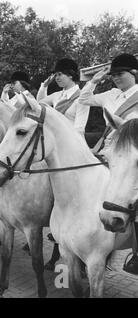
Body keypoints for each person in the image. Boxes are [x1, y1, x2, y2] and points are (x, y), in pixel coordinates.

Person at [78, 53, 138, 274]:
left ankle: (136, 253)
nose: (115, 78)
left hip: (132, 152)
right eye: (113, 74)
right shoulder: (110, 94)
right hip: (107, 151)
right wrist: (93, 81)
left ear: (134, 74)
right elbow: (84, 100)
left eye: (120, 74)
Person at [37, 58, 89, 135]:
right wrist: (44, 86)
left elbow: (79, 129)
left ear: (70, 75)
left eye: (60, 74)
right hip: (56, 141)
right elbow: (39, 105)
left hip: (73, 141)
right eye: (56, 75)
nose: (57, 78)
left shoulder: (82, 97)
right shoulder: (56, 95)